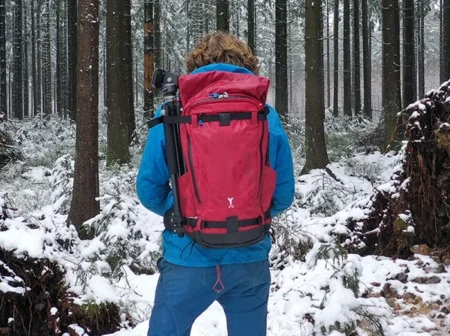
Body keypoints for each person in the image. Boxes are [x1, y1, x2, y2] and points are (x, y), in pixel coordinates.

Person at [136, 31, 295, 336]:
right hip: (249, 258)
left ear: (196, 64)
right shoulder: (265, 115)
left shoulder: (174, 111)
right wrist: (249, 210)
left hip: (187, 256)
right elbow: (284, 194)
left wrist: (184, 213)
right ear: (247, 64)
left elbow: (148, 188)